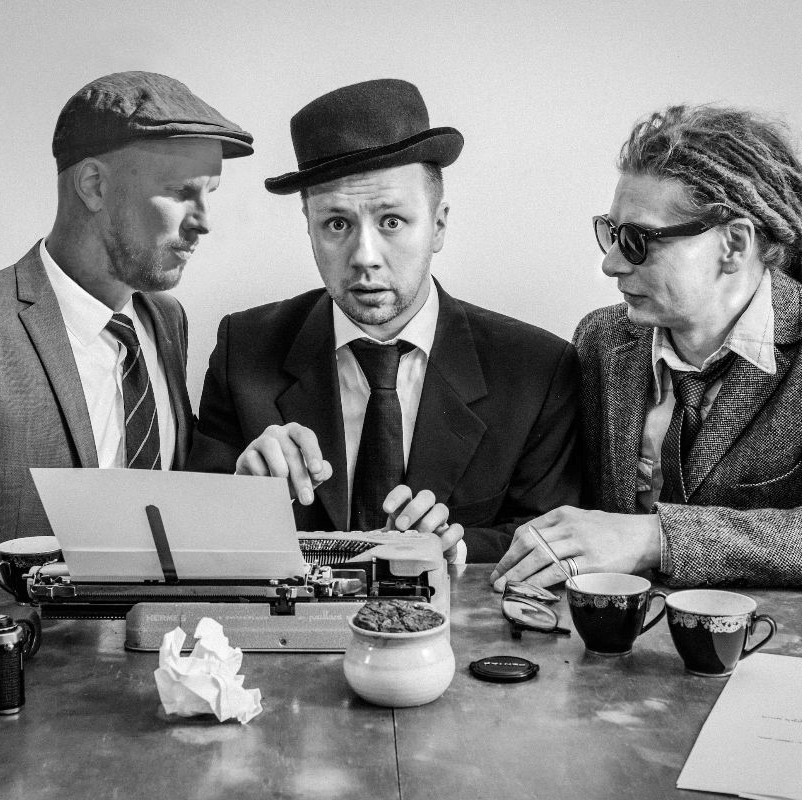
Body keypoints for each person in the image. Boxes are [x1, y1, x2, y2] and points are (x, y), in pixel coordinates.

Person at [491, 105, 802, 605]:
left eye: (638, 240)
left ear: (733, 244)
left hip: (777, 645)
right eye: (612, 232)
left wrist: (657, 537)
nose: (611, 263)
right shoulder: (602, 341)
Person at [0, 71, 253, 619]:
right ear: (94, 185)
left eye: (210, 194)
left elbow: (165, 512)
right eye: (180, 191)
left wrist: (243, 480)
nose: (204, 222)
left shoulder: (165, 320)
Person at [188, 79, 581, 562]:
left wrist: (456, 549)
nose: (364, 257)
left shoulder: (537, 370)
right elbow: (194, 534)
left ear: (438, 226)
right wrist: (241, 494)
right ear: (308, 227)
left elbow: (551, 537)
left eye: (391, 221)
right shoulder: (243, 348)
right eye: (337, 224)